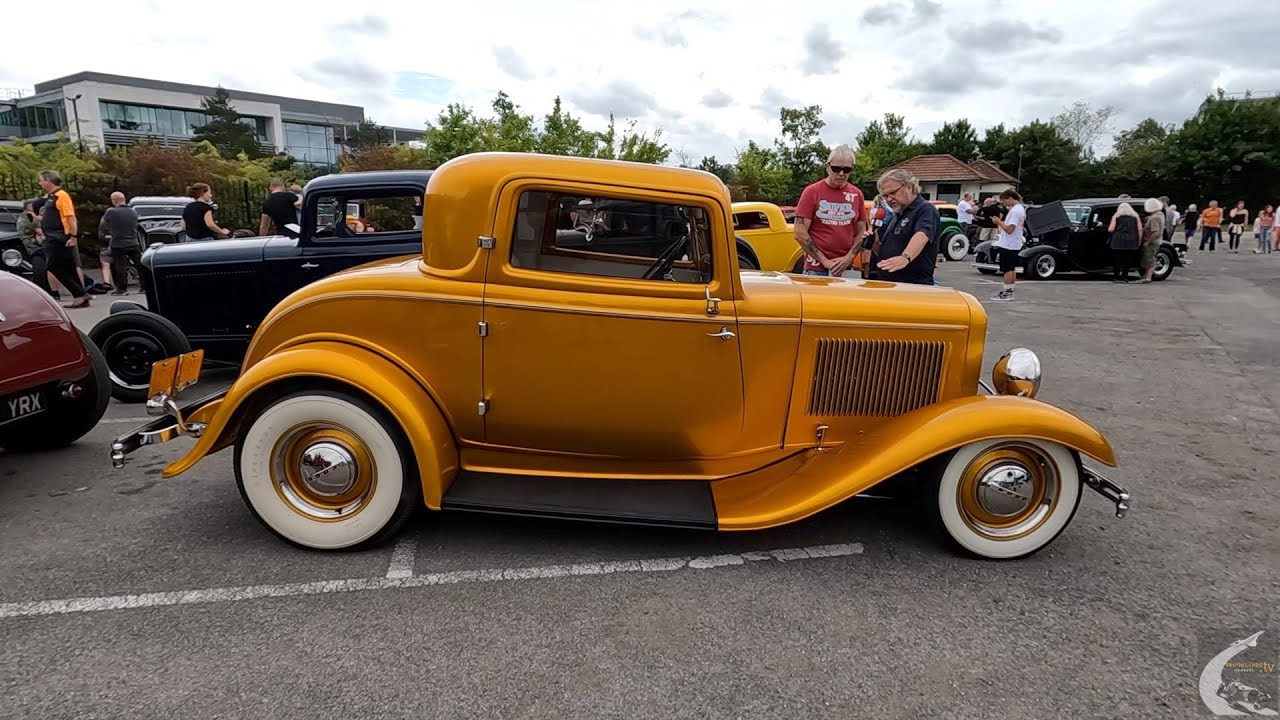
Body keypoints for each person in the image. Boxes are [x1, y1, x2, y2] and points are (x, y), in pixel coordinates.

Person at [792, 145, 867, 277]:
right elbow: (800, 232)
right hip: (816, 268)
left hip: (846, 267)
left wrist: (849, 257)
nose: (841, 174)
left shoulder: (857, 194)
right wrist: (824, 260)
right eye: (836, 169)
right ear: (828, 167)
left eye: (847, 169)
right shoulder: (812, 192)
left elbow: (861, 231)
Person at [872, 168, 939, 285]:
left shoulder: (925, 209)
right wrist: (875, 242)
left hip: (913, 285)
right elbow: (886, 250)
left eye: (893, 193)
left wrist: (905, 257)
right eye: (885, 196)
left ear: (909, 187)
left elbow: (922, 235)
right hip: (889, 283)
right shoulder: (897, 214)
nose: (889, 199)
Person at [35, 170, 89, 307]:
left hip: (59, 237)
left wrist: (73, 236)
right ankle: (80, 295)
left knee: (53, 265)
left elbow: (70, 217)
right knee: (68, 267)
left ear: (48, 180)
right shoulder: (52, 197)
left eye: (41, 180)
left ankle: (79, 293)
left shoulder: (61, 196)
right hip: (54, 236)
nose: (40, 183)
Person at [99, 191, 143, 294]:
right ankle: (144, 287)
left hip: (118, 243)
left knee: (120, 266)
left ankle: (121, 289)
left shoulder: (111, 212)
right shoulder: (133, 212)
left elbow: (103, 224)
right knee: (139, 265)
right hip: (133, 242)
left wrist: (108, 234)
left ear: (114, 200)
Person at [989, 189, 1026, 301]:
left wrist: (999, 222)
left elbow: (1010, 229)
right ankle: (1009, 290)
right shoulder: (1021, 209)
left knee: (1007, 269)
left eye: (1004, 201)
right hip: (1014, 243)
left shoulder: (1015, 211)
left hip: (1009, 243)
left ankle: (1007, 292)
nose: (1004, 204)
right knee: (1011, 268)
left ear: (1010, 198)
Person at [1106, 202, 1142, 282]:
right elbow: (1139, 229)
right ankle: (1125, 276)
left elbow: (1111, 229)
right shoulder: (1135, 217)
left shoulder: (1116, 216)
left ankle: (1116, 276)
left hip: (1117, 240)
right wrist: (1139, 241)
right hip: (1131, 240)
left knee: (1117, 259)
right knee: (1127, 259)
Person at [1139, 197, 1165, 282]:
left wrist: (1147, 241)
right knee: (1149, 258)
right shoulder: (1160, 214)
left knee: (1150, 259)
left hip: (1152, 242)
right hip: (1157, 241)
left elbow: (1155, 232)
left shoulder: (1154, 218)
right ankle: (1146, 275)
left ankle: (1148, 277)